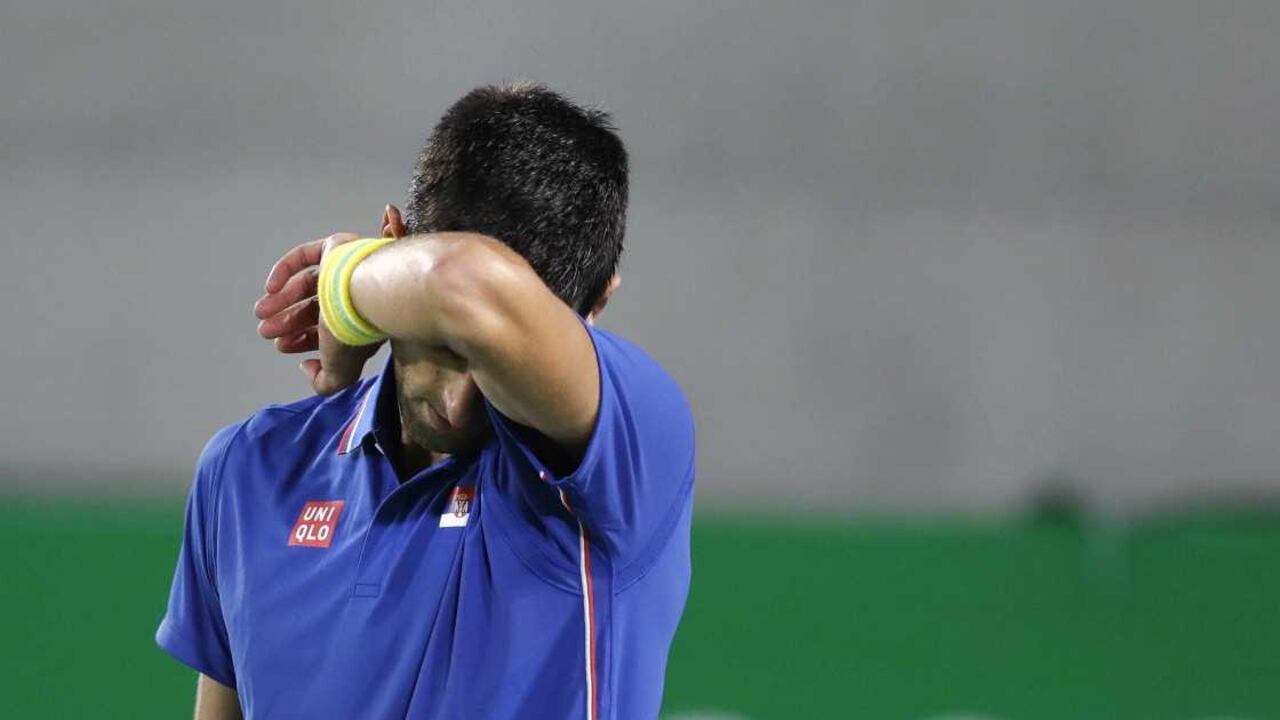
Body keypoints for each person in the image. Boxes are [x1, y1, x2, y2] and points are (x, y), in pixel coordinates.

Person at [155, 83, 696, 720]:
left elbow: (458, 279)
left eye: (496, 355)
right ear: (396, 235)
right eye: (445, 343)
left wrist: (343, 281)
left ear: (595, 306)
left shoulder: (632, 450)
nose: (461, 400)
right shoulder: (250, 470)